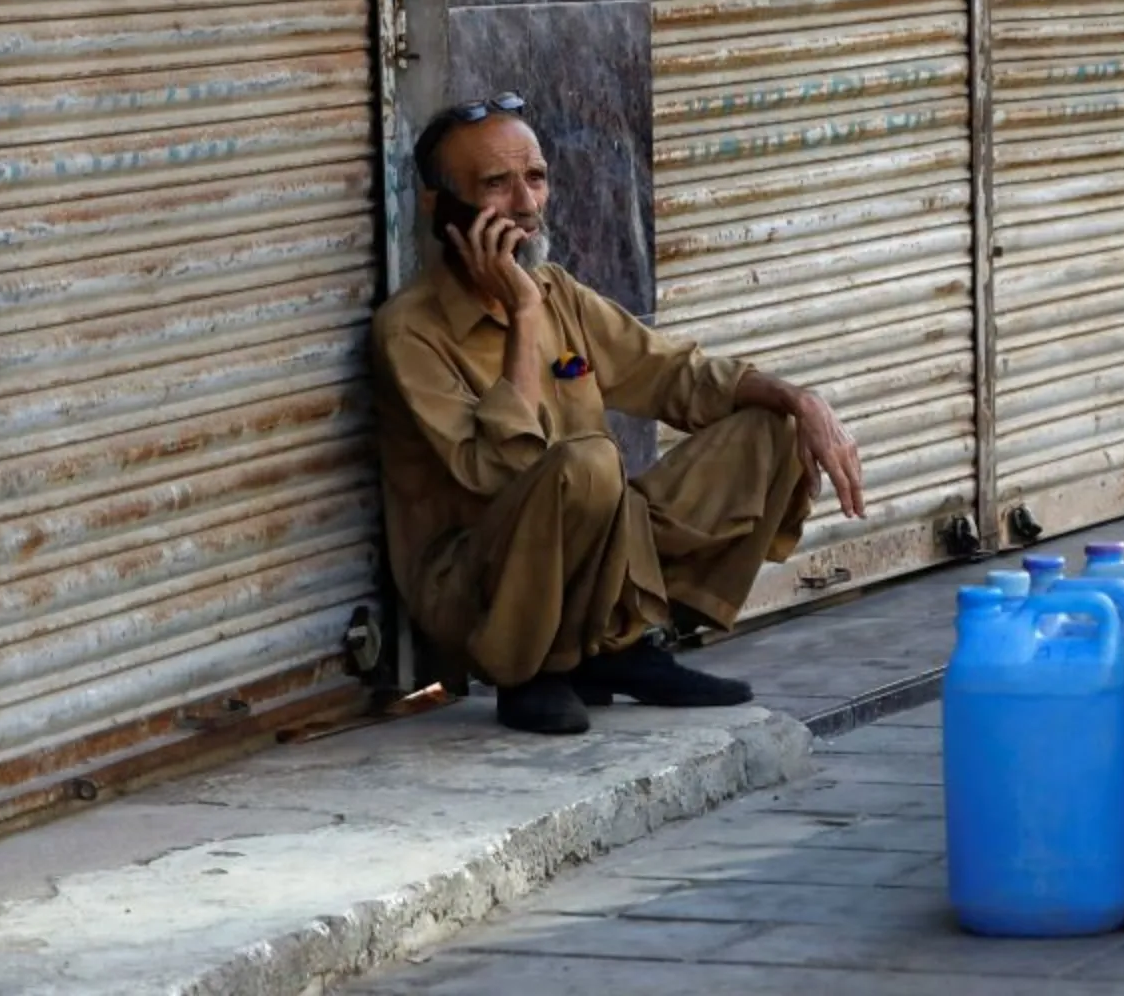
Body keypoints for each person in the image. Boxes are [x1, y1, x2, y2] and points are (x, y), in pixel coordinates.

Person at [370, 93, 867, 735]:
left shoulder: (560, 295)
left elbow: (672, 373)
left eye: (537, 178)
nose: (525, 205)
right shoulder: (408, 332)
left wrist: (802, 400)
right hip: (480, 588)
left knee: (768, 425)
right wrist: (522, 316)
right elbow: (498, 473)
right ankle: (534, 670)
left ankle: (620, 647)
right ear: (441, 207)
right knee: (585, 462)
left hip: (596, 552)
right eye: (497, 184)